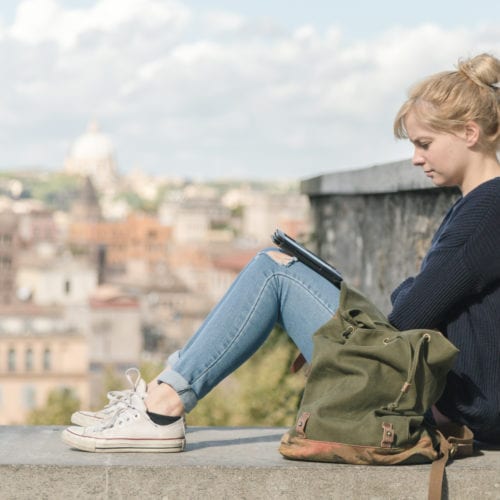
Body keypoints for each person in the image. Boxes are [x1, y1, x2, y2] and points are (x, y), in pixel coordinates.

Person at [62, 53, 500, 452]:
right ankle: (160, 395)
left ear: (469, 133)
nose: (415, 159)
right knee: (275, 267)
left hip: (453, 407)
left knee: (274, 272)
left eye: (424, 143)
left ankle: (160, 408)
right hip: (455, 400)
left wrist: (396, 293)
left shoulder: (485, 212)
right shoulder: (479, 206)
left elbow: (408, 315)